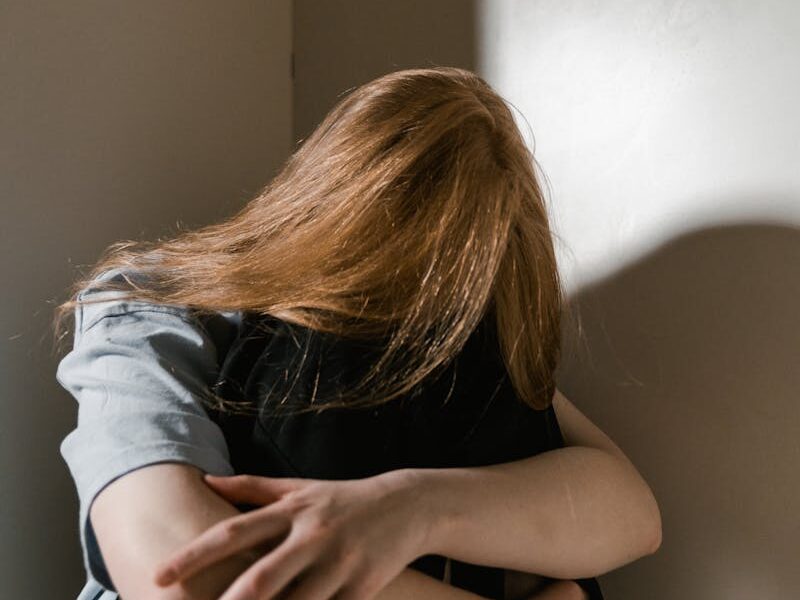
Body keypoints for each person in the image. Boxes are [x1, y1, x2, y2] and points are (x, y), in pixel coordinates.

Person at [54, 67, 661, 600]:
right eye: (397, 257)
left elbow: (631, 513)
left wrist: (413, 507)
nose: (421, 301)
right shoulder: (148, 300)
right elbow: (181, 574)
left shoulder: (450, 346)